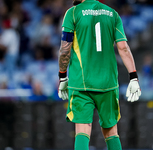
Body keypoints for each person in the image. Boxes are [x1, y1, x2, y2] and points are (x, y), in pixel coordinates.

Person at [58, 0, 141, 150]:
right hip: (108, 83)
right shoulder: (113, 14)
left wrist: (62, 76)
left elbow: (65, 50)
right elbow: (123, 48)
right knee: (111, 132)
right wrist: (133, 77)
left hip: (81, 84)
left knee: (82, 130)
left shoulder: (73, 13)